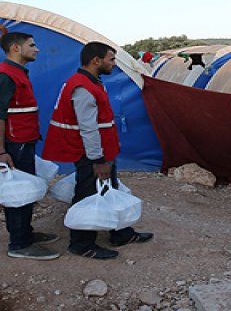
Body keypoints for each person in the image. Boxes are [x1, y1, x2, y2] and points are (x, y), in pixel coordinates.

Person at [42, 42, 153, 259]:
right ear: (96, 60)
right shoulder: (83, 87)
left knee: (109, 189)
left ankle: (120, 233)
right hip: (91, 154)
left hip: (101, 152)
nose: (114, 64)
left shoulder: (91, 82)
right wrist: (98, 159)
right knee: (87, 194)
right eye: (111, 59)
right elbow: (88, 128)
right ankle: (81, 243)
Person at [0, 32, 60, 260]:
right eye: (32, 45)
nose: (37, 49)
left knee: (24, 188)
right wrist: (1, 152)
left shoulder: (15, 73)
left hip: (22, 141)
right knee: (18, 191)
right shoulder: (3, 76)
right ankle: (19, 244)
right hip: (13, 144)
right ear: (15, 48)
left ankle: (25, 234)